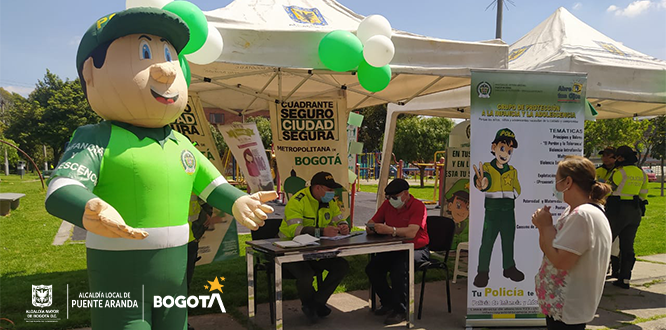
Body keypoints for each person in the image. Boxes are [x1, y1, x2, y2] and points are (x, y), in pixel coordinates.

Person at [532, 155, 612, 330]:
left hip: (567, 310)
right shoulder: (574, 211)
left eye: (557, 180)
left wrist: (545, 226)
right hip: (560, 308)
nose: (555, 186)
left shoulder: (582, 215)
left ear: (568, 182)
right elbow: (549, 249)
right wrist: (542, 228)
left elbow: (562, 262)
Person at [279, 171, 350, 323]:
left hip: (317, 249)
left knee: (341, 266)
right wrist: (321, 231)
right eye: (329, 190)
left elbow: (339, 218)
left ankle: (315, 304)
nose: (332, 193)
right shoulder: (298, 201)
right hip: (290, 250)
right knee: (306, 275)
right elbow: (295, 230)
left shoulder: (329, 202)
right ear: (318, 188)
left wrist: (343, 226)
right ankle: (312, 305)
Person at [365, 178, 429, 325]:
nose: (391, 200)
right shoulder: (387, 205)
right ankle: (389, 301)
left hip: (416, 248)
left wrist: (391, 230)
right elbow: (372, 222)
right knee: (373, 268)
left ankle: (401, 310)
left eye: (394, 197)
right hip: (395, 247)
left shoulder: (418, 207)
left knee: (399, 270)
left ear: (406, 194)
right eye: (388, 197)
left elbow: (412, 232)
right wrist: (372, 228)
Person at [472, 128, 524, 288]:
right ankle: (482, 272)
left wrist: (512, 194)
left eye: (509, 150)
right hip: (492, 212)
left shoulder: (512, 171)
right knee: (487, 242)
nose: (505, 153)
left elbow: (518, 189)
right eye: (502, 148)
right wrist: (482, 184)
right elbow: (481, 179)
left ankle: (509, 267)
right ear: (494, 147)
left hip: (508, 212)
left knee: (508, 241)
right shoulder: (487, 167)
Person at [605, 146, 649, 289]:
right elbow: (643, 194)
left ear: (621, 158)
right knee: (627, 246)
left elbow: (608, 190)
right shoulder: (641, 173)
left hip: (617, 210)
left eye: (617, 157)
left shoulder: (619, 172)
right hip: (634, 211)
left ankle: (597, 276)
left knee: (605, 242)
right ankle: (625, 278)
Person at [595, 146, 620, 278]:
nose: (604, 158)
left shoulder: (619, 171)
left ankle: (616, 268)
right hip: (601, 205)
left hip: (616, 207)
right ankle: (606, 266)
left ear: (615, 157)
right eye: (603, 155)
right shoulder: (598, 170)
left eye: (608, 155)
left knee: (616, 240)